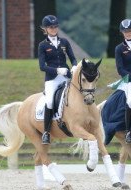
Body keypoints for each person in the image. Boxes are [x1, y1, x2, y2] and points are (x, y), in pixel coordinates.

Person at [38, 15, 77, 144]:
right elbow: (42, 67)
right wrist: (56, 70)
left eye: (55, 27)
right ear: (45, 29)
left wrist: (75, 66)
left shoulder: (64, 42)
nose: (54, 29)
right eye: (51, 27)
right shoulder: (43, 45)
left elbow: (72, 58)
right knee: (49, 102)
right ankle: (46, 132)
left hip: (66, 76)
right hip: (52, 79)